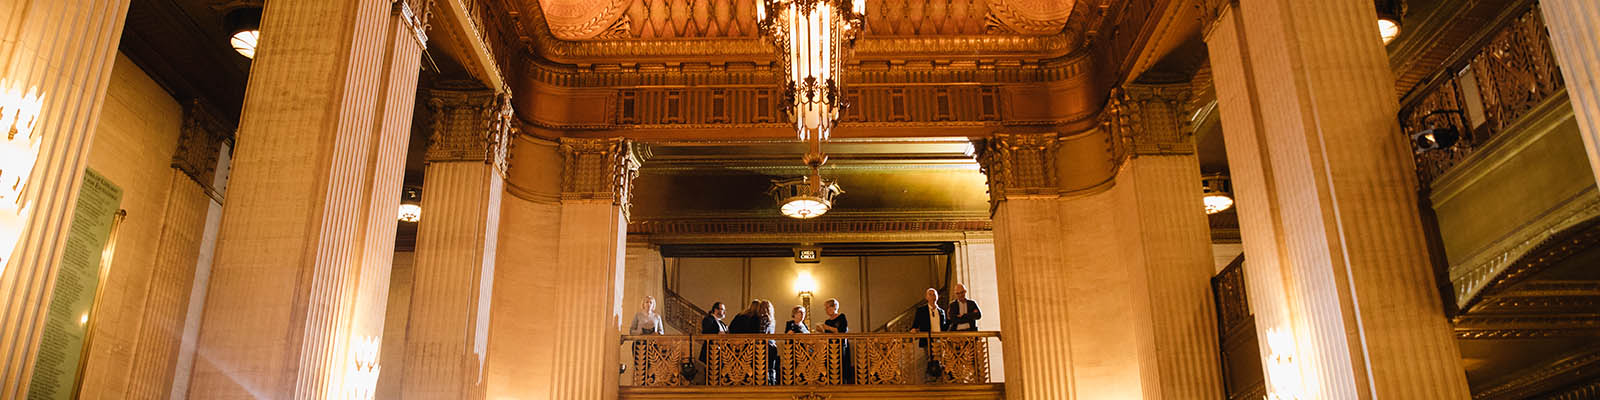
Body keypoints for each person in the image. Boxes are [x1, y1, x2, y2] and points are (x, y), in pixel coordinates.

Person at [819, 298, 853, 383]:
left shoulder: (841, 317)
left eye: (828, 307)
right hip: (830, 347)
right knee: (831, 367)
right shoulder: (827, 321)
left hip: (841, 346)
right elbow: (827, 335)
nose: (826, 310)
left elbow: (842, 331)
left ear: (834, 307)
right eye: (825, 308)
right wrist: (822, 330)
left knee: (841, 366)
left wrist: (828, 328)